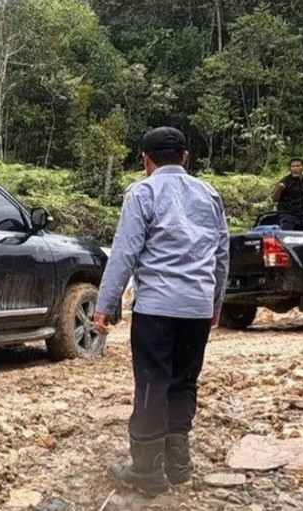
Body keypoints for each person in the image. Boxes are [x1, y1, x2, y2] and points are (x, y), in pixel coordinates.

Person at [93, 127, 229, 496]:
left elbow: (125, 251)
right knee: (184, 381)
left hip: (156, 308)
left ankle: (147, 473)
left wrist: (105, 304)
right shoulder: (210, 194)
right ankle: (179, 466)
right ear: (185, 157)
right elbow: (221, 256)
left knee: (152, 383)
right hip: (197, 308)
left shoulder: (143, 192)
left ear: (145, 160)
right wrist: (215, 304)